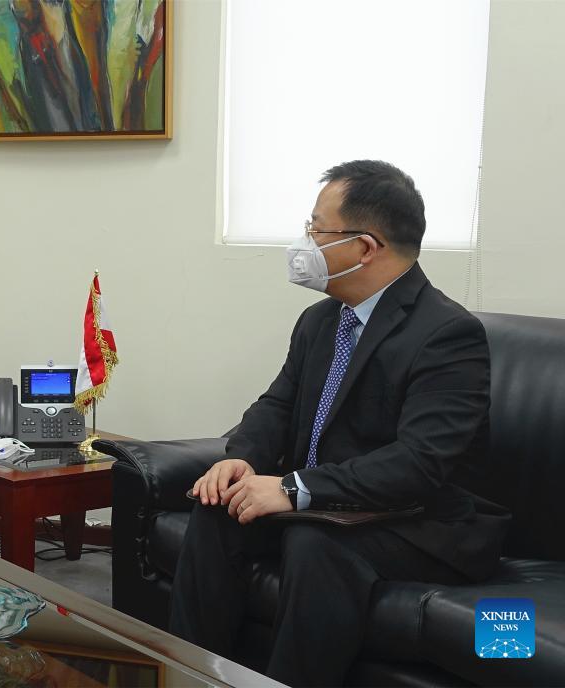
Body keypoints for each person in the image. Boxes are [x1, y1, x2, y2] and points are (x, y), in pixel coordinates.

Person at [170, 160, 510, 686]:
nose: (304, 242)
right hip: (331, 505)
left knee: (316, 544)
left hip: (420, 519)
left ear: (365, 247)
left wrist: (293, 488)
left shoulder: (447, 334)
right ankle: (191, 675)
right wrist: (242, 460)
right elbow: (277, 405)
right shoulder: (321, 319)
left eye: (316, 228)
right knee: (219, 511)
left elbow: (418, 464)